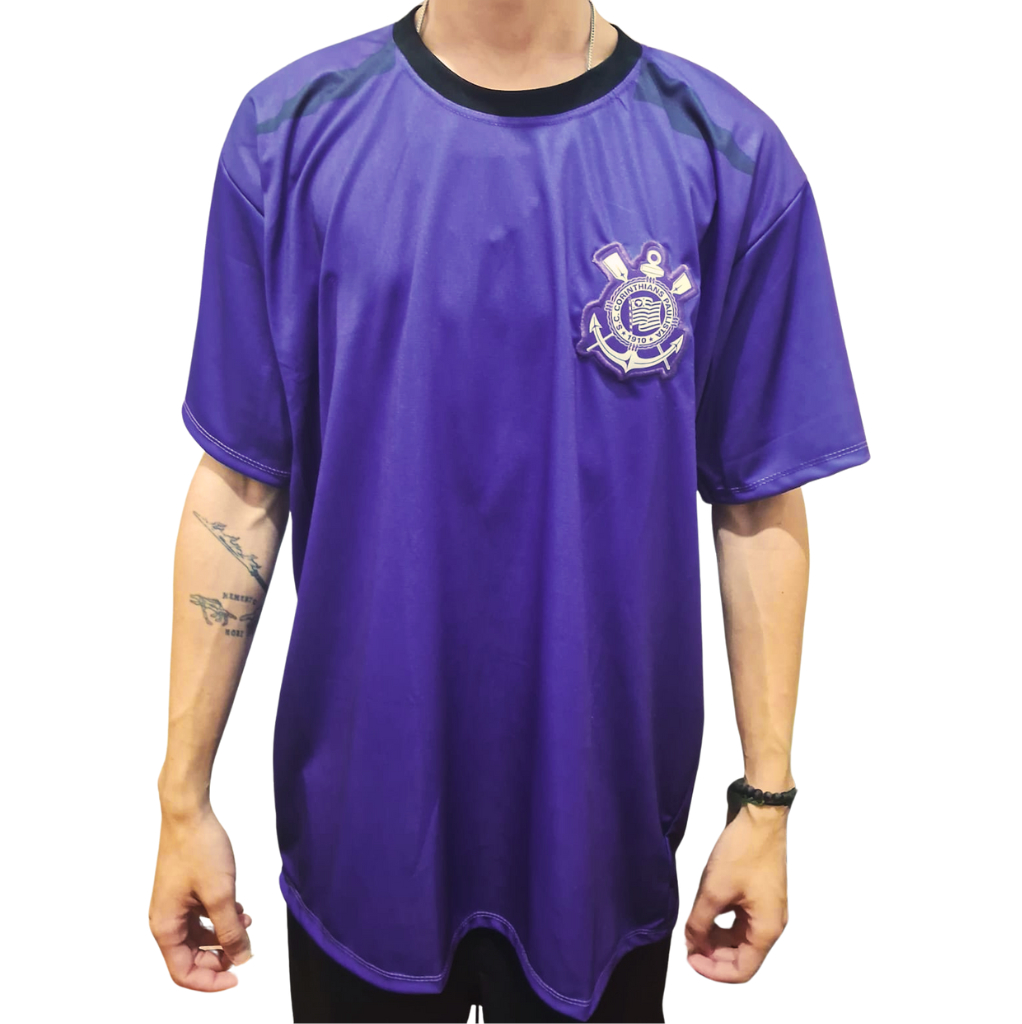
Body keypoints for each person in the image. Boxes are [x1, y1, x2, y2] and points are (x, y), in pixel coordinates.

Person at [149, 1, 871, 1020]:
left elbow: (757, 496)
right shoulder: (290, 133)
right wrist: (182, 797)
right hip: (364, 829)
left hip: (600, 836)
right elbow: (241, 480)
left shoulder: (726, 157)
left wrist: (766, 802)